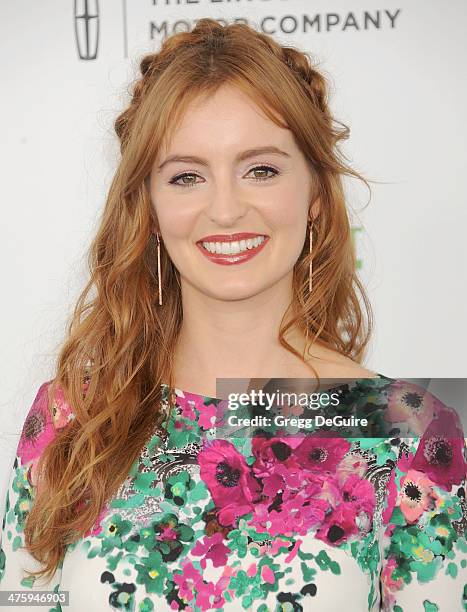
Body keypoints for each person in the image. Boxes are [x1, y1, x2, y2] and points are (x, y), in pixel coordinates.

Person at [1, 17, 465, 612]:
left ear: (317, 193)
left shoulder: (410, 431)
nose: (225, 209)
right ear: (149, 206)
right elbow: (20, 602)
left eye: (261, 169)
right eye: (188, 176)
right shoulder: (73, 417)